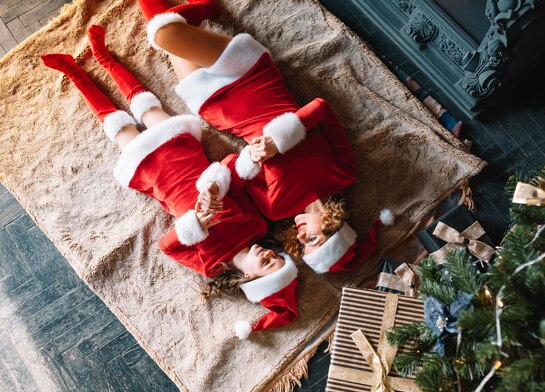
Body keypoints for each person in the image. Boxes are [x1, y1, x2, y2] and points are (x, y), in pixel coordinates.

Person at [41, 25, 298, 339]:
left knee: (117, 124)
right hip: (184, 154)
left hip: (155, 175)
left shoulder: (210, 265)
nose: (269, 254)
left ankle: (73, 71)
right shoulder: (257, 227)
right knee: (146, 105)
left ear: (250, 278)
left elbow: (168, 247)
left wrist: (196, 224)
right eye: (277, 258)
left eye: (268, 265)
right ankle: (104, 57)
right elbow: (236, 180)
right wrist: (217, 185)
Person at [137, 0, 394, 274]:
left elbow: (235, 170)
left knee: (166, 31)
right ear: (334, 226)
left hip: (215, 107)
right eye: (314, 239)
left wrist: (215, 187)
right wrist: (279, 139)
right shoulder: (343, 174)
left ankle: (194, 21)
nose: (302, 235)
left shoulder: (276, 210)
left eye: (303, 244)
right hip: (252, 78)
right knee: (165, 33)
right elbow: (321, 108)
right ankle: (203, 11)